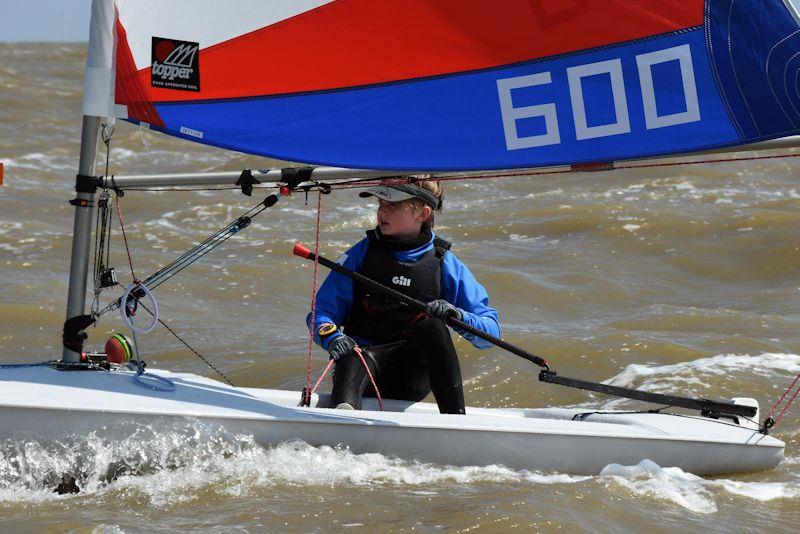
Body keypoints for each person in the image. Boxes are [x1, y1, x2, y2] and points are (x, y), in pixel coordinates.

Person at [306, 175, 499, 414]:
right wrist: (332, 338)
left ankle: (456, 422)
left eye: (393, 205)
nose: (381, 212)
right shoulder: (360, 255)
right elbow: (321, 313)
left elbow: (490, 332)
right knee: (351, 353)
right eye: (380, 204)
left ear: (423, 214)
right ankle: (344, 417)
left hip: (412, 376)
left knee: (434, 327)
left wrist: (457, 316)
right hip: (362, 368)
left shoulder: (446, 265)